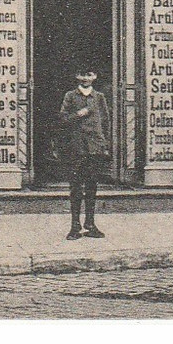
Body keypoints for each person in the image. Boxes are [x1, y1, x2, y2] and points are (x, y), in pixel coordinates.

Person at [59, 68, 111, 240]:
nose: (86, 78)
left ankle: (90, 224)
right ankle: (75, 226)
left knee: (91, 187)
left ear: (95, 77)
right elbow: (63, 119)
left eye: (90, 75)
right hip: (77, 148)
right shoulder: (70, 96)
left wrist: (104, 144)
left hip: (94, 148)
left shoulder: (99, 97)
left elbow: (105, 122)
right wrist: (78, 114)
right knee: (75, 187)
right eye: (82, 74)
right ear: (76, 76)